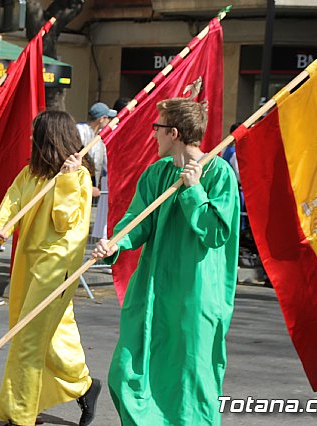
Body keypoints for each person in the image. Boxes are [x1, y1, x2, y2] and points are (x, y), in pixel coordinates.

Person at [92, 98, 240, 425]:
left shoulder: (219, 174)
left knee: (191, 384)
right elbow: (137, 221)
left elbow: (216, 234)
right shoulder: (156, 173)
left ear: (173, 132)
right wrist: (114, 243)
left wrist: (194, 190)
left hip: (196, 296)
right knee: (126, 374)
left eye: (156, 128)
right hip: (152, 292)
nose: (153, 135)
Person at [0, 110, 101, 426]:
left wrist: (67, 180)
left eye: (34, 134)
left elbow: (63, 221)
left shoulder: (78, 178)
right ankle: (84, 386)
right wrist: (1, 228)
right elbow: (12, 203)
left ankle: (21, 414)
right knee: (51, 338)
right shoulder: (29, 174)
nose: (29, 140)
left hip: (55, 269)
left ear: (48, 138)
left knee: (28, 339)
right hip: (28, 263)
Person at [76, 102, 116, 198]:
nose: (110, 121)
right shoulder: (80, 131)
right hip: (78, 188)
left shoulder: (99, 136)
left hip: (91, 187)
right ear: (101, 119)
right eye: (108, 118)